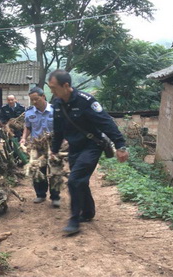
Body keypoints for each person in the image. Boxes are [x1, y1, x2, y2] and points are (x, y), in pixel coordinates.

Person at [48, 69, 129, 235]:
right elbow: (58, 130)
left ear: (66, 85)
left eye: (54, 87)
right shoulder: (57, 104)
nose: (52, 91)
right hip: (74, 148)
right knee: (81, 181)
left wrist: (120, 146)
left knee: (73, 180)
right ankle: (88, 212)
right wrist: (54, 149)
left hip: (92, 145)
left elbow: (106, 122)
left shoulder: (85, 101)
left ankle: (74, 220)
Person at [20, 87, 61, 208]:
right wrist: (24, 137)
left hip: (54, 145)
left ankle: (55, 197)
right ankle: (40, 194)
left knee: (55, 171)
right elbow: (28, 127)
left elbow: (62, 127)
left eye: (36, 99)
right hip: (37, 146)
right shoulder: (29, 112)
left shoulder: (55, 110)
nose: (34, 102)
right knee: (37, 170)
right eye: (32, 100)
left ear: (43, 97)